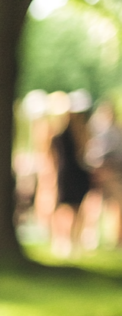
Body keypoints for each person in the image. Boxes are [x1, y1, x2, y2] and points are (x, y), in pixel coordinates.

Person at [49, 92, 92, 256]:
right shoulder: (76, 132)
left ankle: (66, 240)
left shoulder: (61, 133)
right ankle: (70, 240)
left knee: (67, 207)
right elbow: (84, 150)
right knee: (71, 207)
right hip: (72, 172)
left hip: (68, 171)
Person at [86, 100, 122, 247]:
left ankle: (111, 237)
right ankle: (92, 235)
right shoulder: (101, 131)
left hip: (109, 170)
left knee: (112, 204)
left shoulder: (109, 131)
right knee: (98, 203)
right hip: (105, 170)